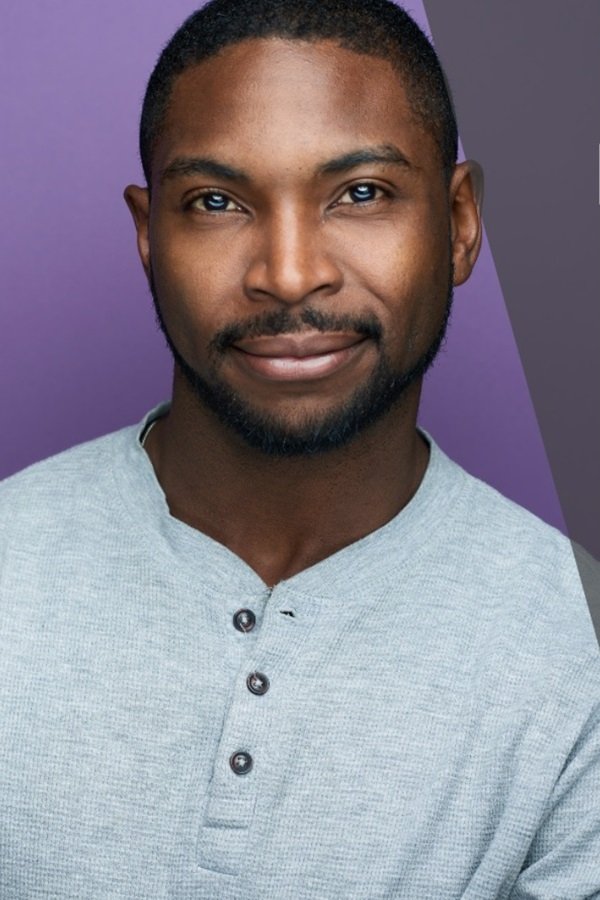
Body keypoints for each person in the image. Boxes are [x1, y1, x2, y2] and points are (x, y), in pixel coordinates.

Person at [0, 0, 598, 897]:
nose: (288, 274)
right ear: (149, 235)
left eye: (361, 193)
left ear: (460, 220)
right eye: (216, 202)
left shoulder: (578, 647)